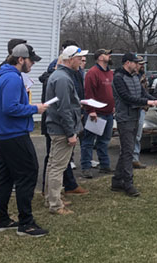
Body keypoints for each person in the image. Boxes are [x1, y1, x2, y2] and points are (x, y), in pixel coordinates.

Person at [0, 43, 49, 237]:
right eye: (31, 60)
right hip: (14, 134)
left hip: (5, 134)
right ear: (20, 59)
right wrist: (35, 109)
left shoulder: (3, 75)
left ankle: (0, 218)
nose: (32, 64)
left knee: (6, 177)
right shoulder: (13, 79)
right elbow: (10, 108)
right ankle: (26, 223)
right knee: (28, 173)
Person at [39, 39, 86, 196]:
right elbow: (64, 109)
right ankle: (54, 202)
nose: (81, 62)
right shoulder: (63, 79)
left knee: (54, 166)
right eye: (79, 58)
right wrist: (70, 133)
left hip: (58, 127)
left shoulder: (63, 76)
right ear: (70, 59)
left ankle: (51, 198)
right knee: (57, 167)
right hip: (60, 129)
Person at [111, 52, 157, 197]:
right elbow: (127, 98)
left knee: (128, 149)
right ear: (127, 63)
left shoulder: (135, 77)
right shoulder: (118, 78)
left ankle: (116, 181)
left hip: (134, 116)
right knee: (128, 151)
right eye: (135, 62)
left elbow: (142, 93)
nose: (138, 65)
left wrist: (155, 100)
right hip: (124, 118)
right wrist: (147, 102)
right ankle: (128, 183)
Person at [0, 38, 27, 198]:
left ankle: (6, 183)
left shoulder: (12, 72)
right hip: (5, 122)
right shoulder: (6, 71)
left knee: (6, 155)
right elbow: (7, 101)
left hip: (8, 122)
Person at [80, 49, 114, 178]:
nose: (109, 56)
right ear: (100, 57)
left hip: (109, 112)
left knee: (104, 141)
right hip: (96, 113)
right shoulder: (92, 73)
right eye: (107, 54)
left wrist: (113, 106)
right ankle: (86, 167)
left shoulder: (110, 73)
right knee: (88, 141)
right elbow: (89, 93)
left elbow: (111, 92)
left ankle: (104, 165)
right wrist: (91, 111)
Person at [132, 57, 149, 169]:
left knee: (138, 135)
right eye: (140, 63)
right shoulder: (129, 76)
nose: (142, 65)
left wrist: (146, 106)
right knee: (129, 135)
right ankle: (128, 158)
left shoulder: (143, 76)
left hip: (141, 108)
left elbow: (146, 91)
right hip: (131, 108)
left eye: (143, 64)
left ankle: (135, 159)